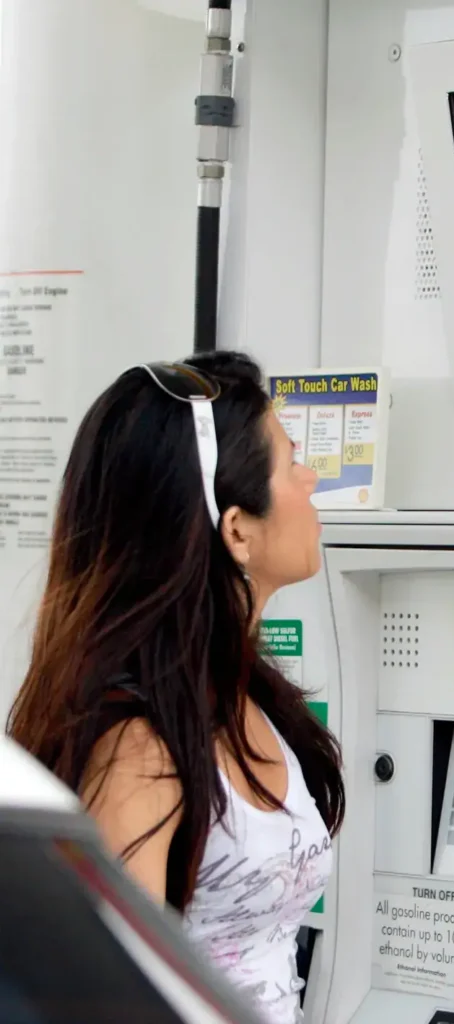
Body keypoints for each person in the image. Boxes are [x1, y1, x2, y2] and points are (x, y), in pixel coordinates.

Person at [7, 351, 345, 1024]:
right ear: (237, 528)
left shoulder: (254, 701)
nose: (311, 479)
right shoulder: (140, 754)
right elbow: (107, 1007)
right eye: (289, 462)